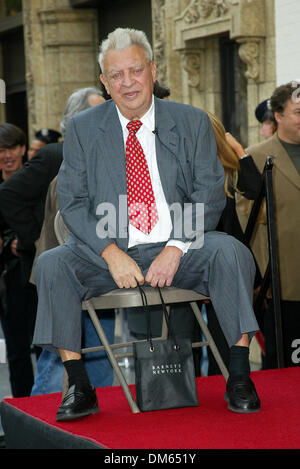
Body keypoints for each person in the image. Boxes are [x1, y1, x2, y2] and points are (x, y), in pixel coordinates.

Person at [32, 27, 261, 421]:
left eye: (135, 70)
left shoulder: (190, 121)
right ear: (104, 82)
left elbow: (208, 190)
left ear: (153, 70)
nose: (127, 82)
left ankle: (239, 374)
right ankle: (80, 385)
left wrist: (176, 247)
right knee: (52, 263)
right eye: (116, 75)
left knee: (231, 251)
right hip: (109, 250)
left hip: (180, 246)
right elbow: (72, 201)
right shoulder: (84, 129)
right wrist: (110, 252)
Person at [29, 87, 115, 395]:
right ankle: (34, 434)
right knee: (57, 362)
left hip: (100, 281)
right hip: (69, 281)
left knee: (103, 358)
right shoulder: (70, 173)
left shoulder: (100, 166)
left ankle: (102, 431)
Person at [242, 81, 300, 368]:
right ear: (278, 116)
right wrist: (260, 281)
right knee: (283, 369)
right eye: (298, 112)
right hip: (282, 285)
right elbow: (249, 224)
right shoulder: (256, 157)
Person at [204, 112, 262, 375]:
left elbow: (256, 189)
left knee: (225, 332)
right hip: (192, 258)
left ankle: (228, 381)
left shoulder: (226, 169)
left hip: (229, 261)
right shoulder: (179, 171)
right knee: (186, 334)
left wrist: (238, 150)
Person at [0, 123, 38, 397]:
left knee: (49, 347)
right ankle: (23, 411)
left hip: (38, 276)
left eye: (12, 148)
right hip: (8, 279)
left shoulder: (37, 182)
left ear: (23, 149)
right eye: (1, 150)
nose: (7, 155)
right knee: (17, 351)